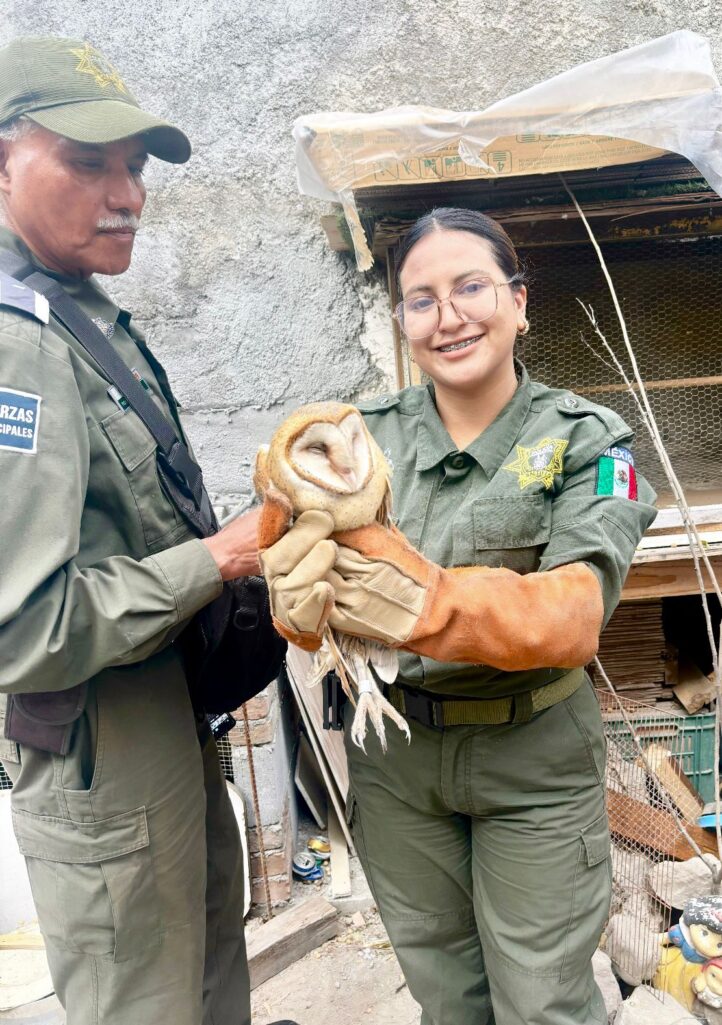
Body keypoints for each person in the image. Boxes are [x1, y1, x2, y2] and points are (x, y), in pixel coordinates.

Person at [0, 36, 310, 1025]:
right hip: (104, 757)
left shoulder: (78, 312)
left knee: (212, 986)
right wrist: (220, 556)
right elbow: (23, 628)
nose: (127, 194)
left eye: (134, 166)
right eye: (87, 163)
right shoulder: (16, 343)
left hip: (168, 728)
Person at [306, 207, 658, 1024]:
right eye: (421, 299)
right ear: (402, 321)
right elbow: (309, 595)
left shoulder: (588, 441)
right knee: (447, 996)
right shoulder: (358, 442)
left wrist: (416, 595)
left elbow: (572, 616)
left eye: (471, 287)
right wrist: (295, 592)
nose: (449, 316)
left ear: (519, 301)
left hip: (532, 753)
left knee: (542, 1000)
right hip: (397, 756)